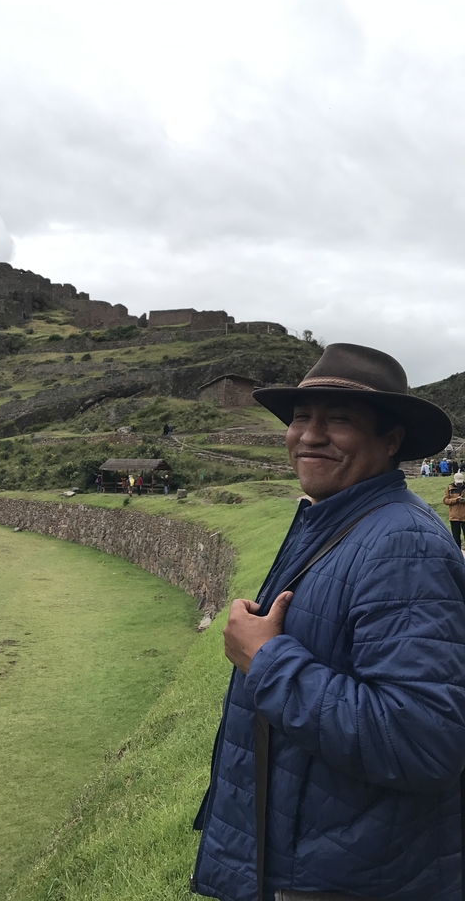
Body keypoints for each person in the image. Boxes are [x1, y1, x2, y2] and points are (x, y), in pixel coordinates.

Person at [192, 343, 465, 901]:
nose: (309, 436)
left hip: (346, 876)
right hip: (311, 856)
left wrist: (266, 661)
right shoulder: (338, 521)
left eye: (338, 419)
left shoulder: (403, 545)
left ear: (391, 441)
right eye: (300, 417)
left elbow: (425, 741)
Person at [444, 471, 465, 550]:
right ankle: (458, 553)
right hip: (454, 517)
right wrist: (456, 500)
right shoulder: (449, 488)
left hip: (464, 516)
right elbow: (445, 501)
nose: (459, 484)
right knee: (456, 537)